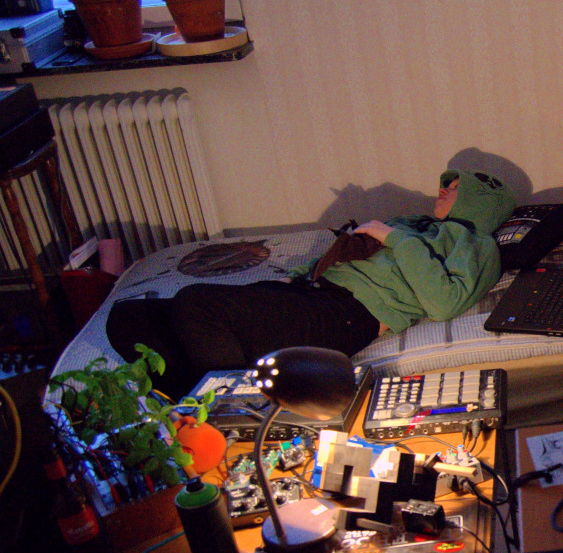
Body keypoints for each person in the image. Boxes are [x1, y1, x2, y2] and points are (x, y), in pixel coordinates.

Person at [105, 169, 516, 399]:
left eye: (455, 188)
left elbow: (443, 303)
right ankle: (192, 397)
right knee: (130, 316)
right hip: (311, 294)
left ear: (480, 201)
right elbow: (352, 250)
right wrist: (302, 273)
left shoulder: (476, 246)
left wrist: (395, 238)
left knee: (196, 303)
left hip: (347, 316)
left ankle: (232, 405)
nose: (441, 189)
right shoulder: (418, 222)